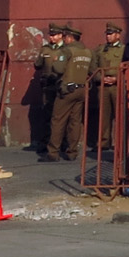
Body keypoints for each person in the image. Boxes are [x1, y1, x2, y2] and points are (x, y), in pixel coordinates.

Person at [47, 27, 94, 162]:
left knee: (58, 120)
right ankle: (72, 152)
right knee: (75, 121)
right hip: (82, 90)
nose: (64, 39)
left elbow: (58, 68)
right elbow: (92, 71)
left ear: (70, 38)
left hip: (67, 90)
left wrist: (56, 60)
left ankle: (53, 152)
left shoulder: (67, 51)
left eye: (66, 37)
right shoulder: (88, 52)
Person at [30, 25, 65, 158]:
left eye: (55, 35)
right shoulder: (45, 49)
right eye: (50, 35)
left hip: (60, 86)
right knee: (46, 115)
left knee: (60, 116)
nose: (52, 37)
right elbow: (38, 64)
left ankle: (61, 143)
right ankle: (45, 142)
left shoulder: (65, 50)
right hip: (47, 87)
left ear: (61, 35)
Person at [93, 23, 126, 150]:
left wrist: (117, 79)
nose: (108, 36)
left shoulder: (124, 49)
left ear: (118, 35)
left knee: (120, 115)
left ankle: (121, 143)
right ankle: (103, 142)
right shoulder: (100, 49)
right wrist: (100, 78)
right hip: (103, 85)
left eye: (111, 34)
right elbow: (93, 66)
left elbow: (127, 67)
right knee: (103, 115)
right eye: (107, 34)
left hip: (117, 85)